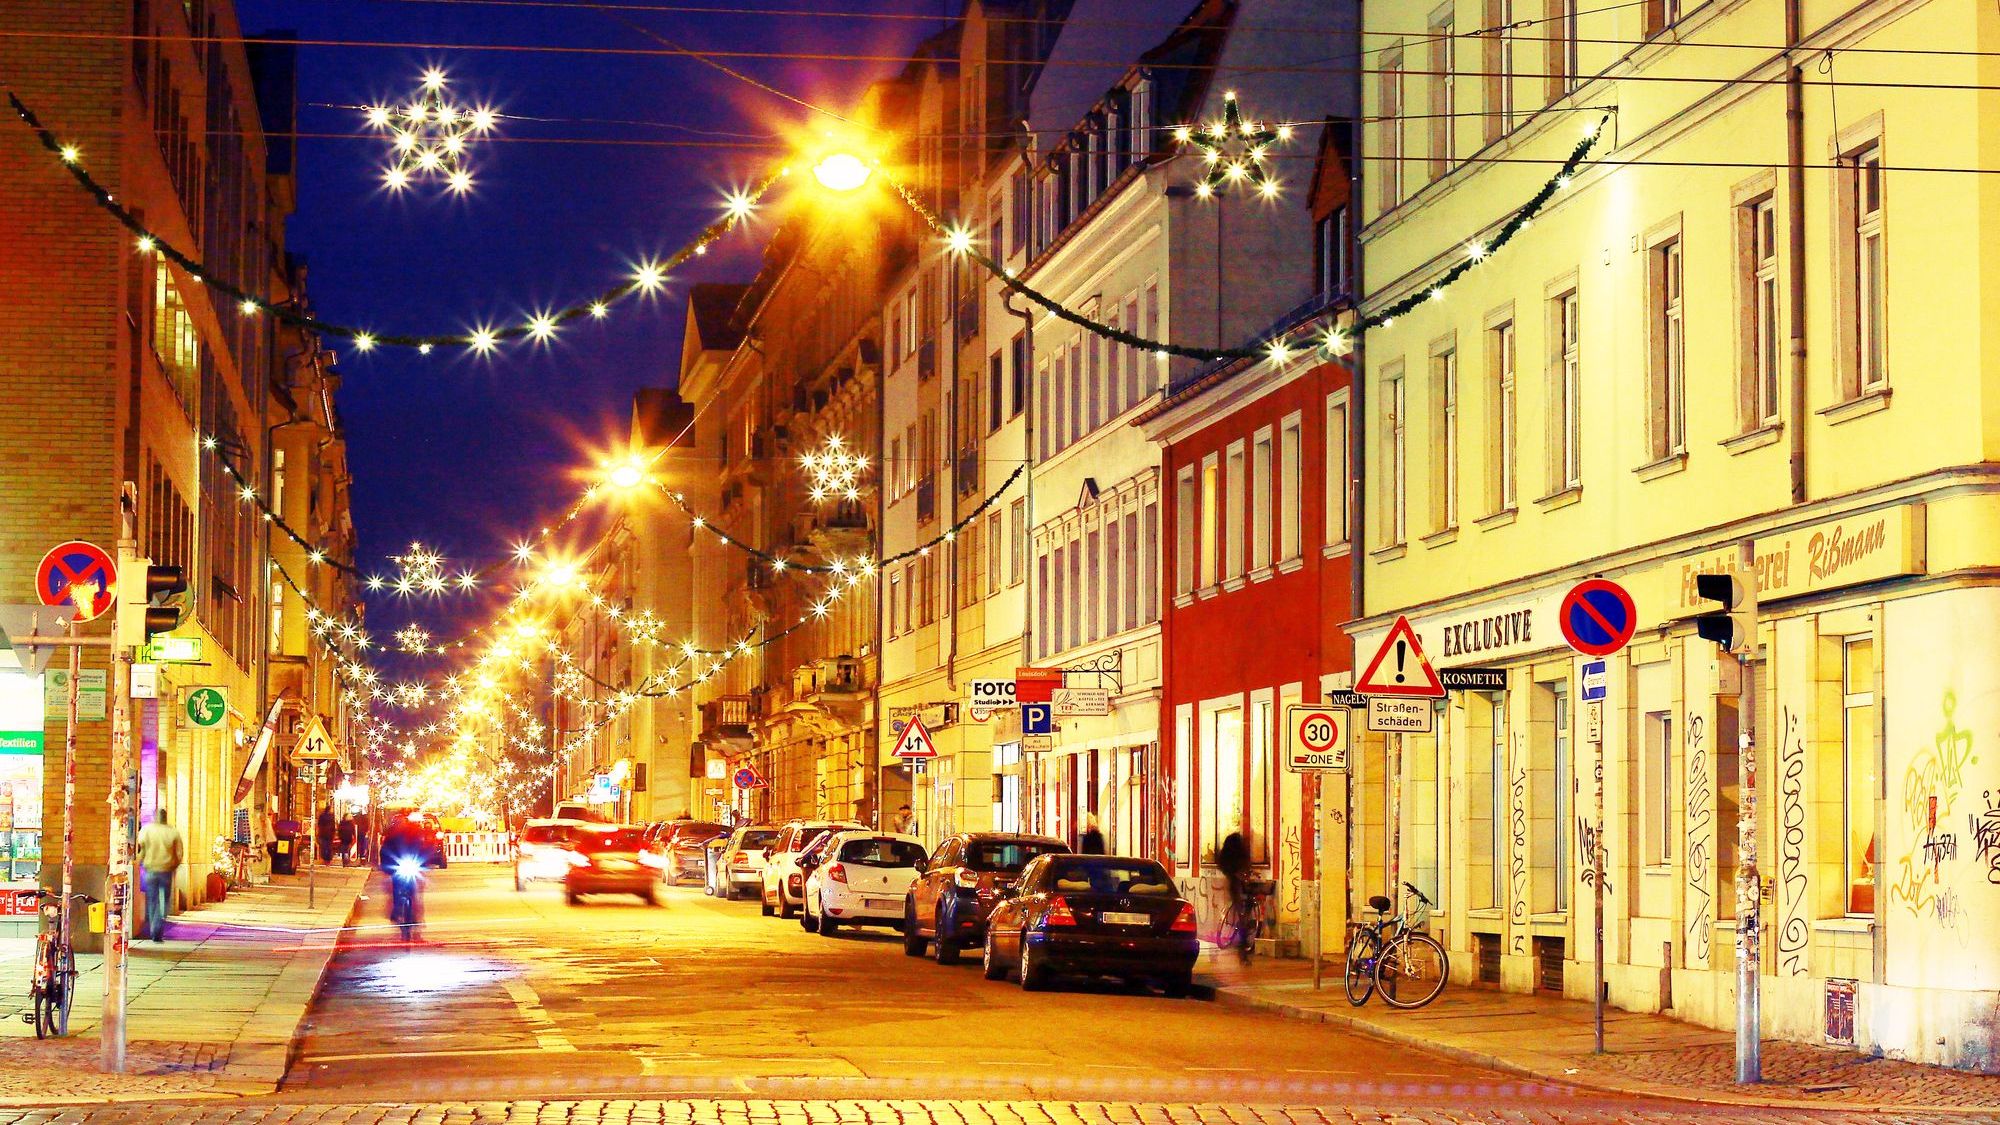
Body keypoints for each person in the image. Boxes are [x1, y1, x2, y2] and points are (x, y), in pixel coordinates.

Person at [135, 809, 184, 943]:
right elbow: (179, 853)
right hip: (166, 870)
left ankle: (154, 928)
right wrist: (174, 866)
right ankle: (160, 923)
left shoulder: (146, 830)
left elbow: (141, 849)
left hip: (150, 870)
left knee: (152, 900)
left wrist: (139, 863)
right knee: (165, 900)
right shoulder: (172, 832)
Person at [1214, 832, 1253, 961]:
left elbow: (1221, 864)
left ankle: (1240, 929)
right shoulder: (1241, 854)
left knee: (1238, 909)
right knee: (1244, 912)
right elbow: (1245, 865)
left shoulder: (1226, 855)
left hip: (1231, 882)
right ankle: (1243, 939)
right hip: (1239, 884)